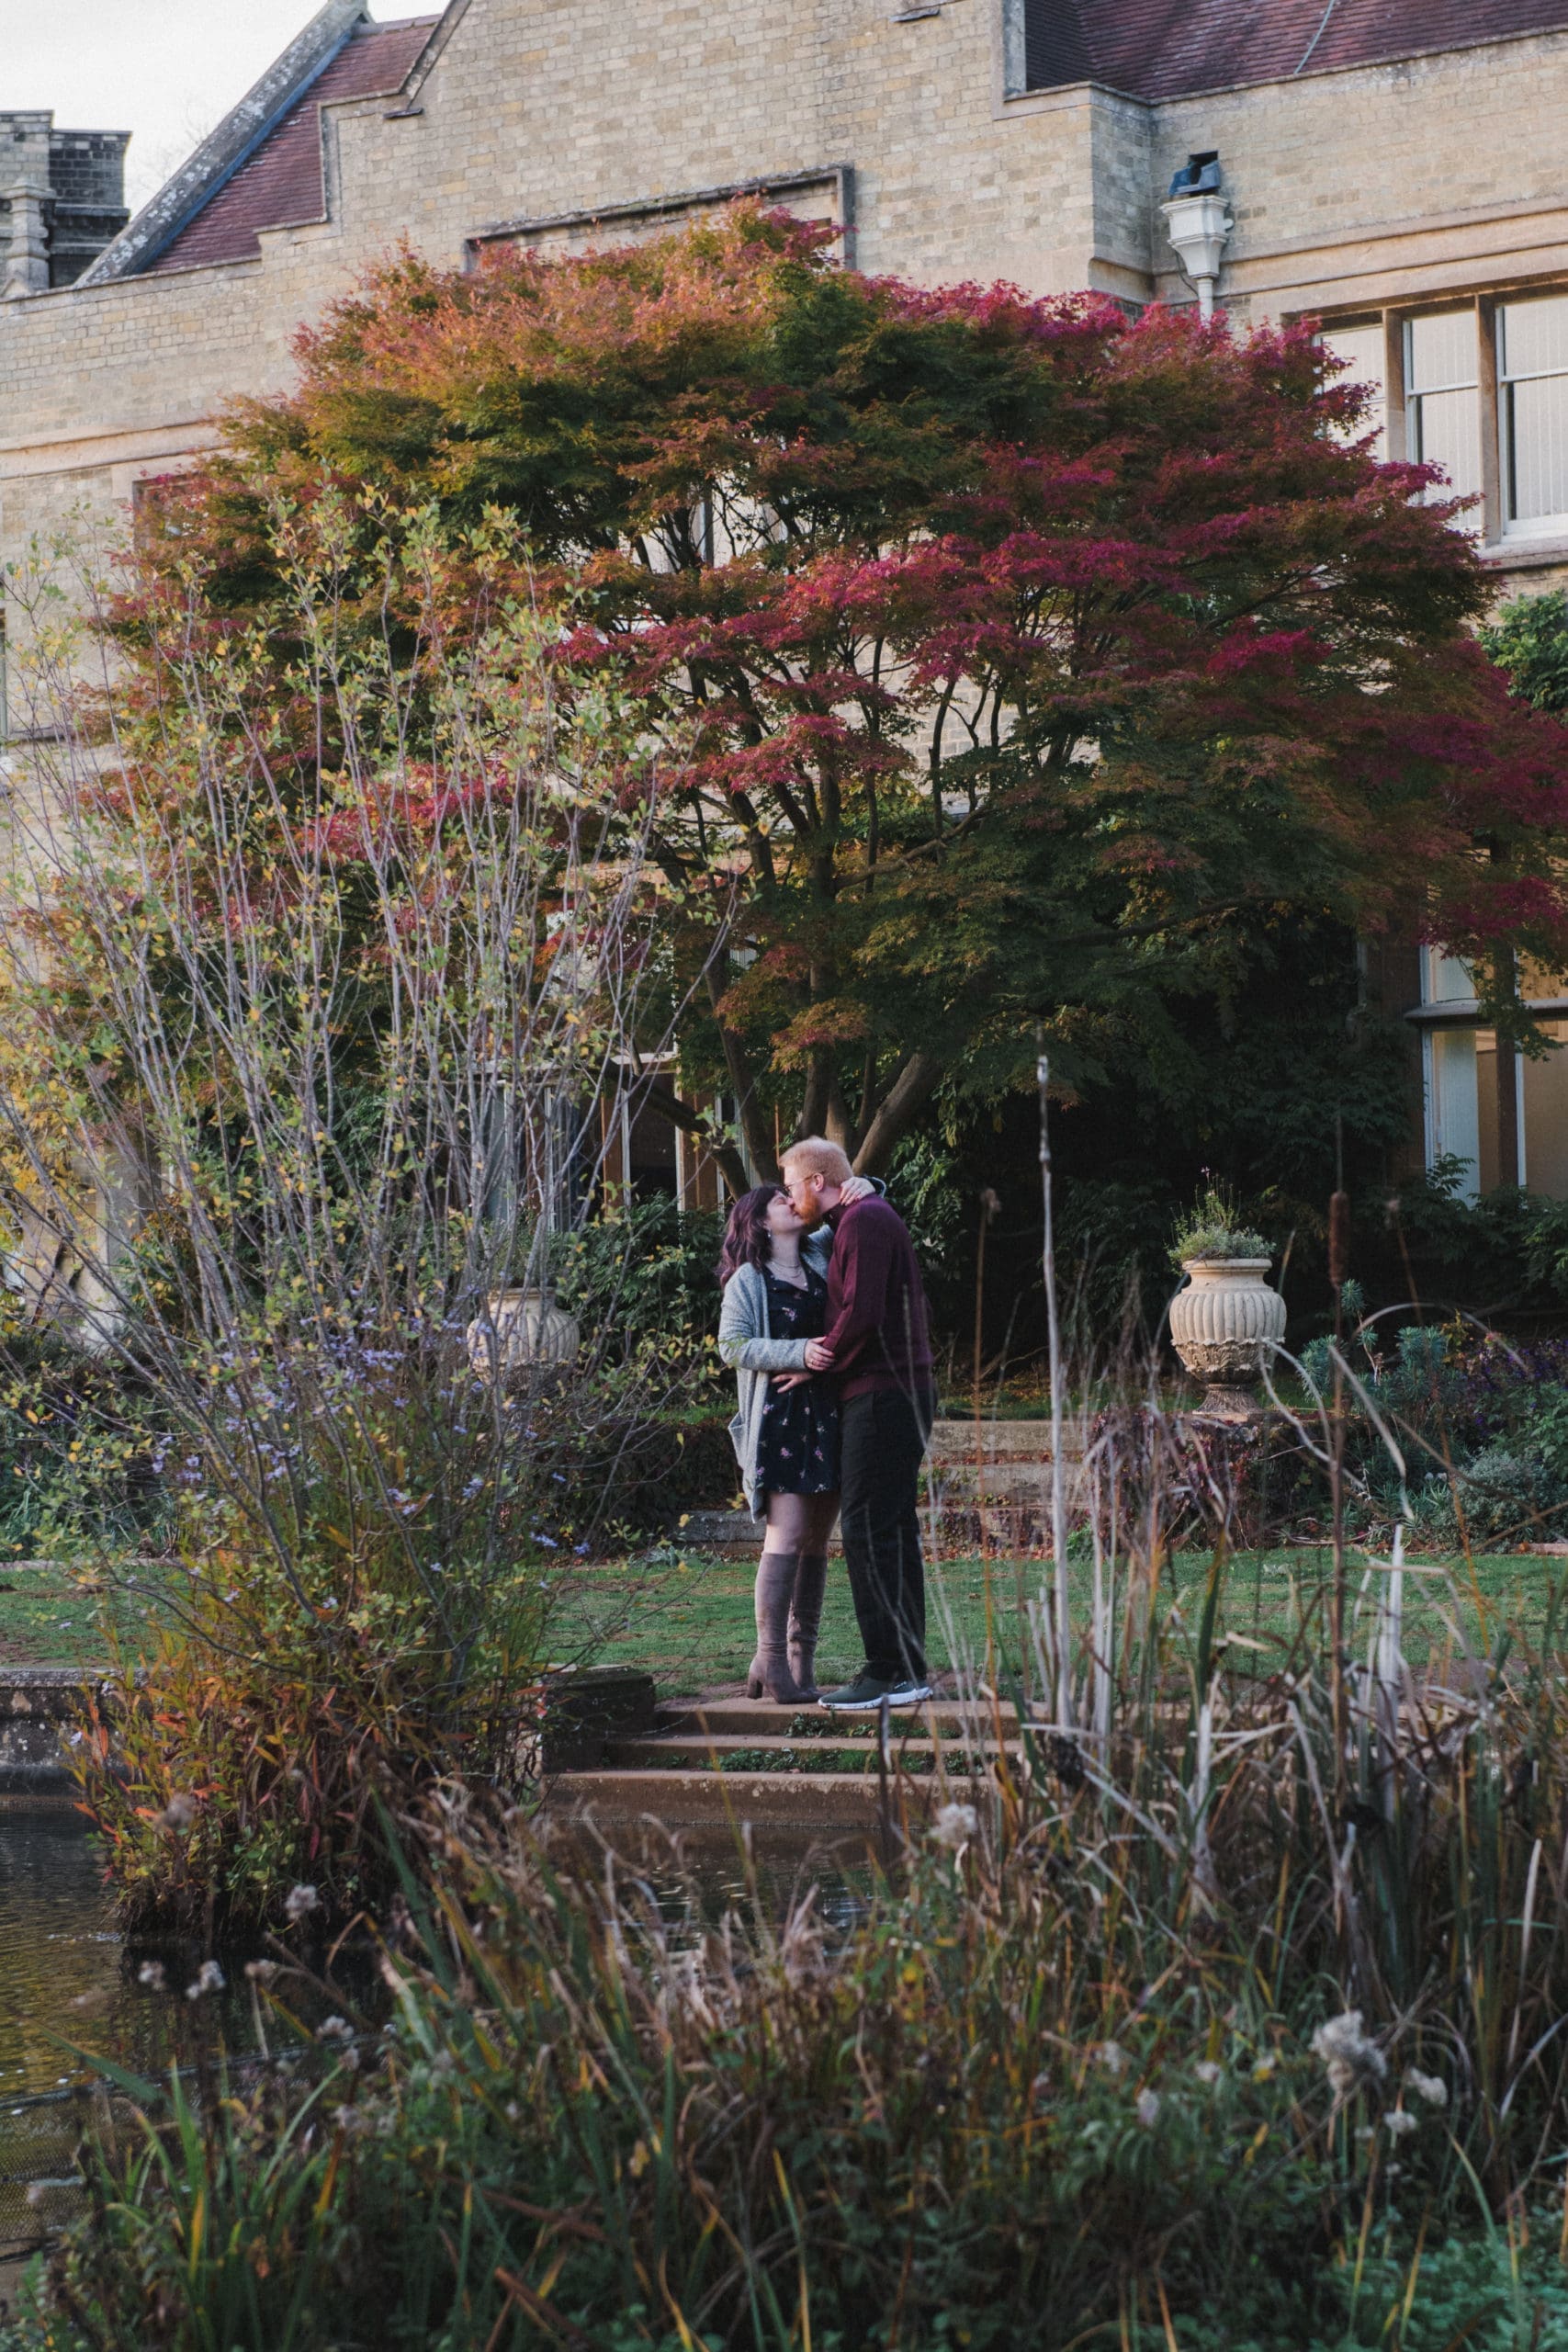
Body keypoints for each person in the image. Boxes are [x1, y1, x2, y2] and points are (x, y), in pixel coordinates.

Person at [780, 1136, 935, 1711]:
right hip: (896, 1390)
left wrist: (816, 1363)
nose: (788, 1197)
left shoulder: (864, 1221)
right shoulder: (859, 1217)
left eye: (792, 1186)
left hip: (883, 1393)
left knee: (870, 1530)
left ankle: (887, 1671)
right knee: (892, 1529)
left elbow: (861, 1314)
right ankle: (907, 1668)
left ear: (818, 1182)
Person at [716, 1179, 872, 1702]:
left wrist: (866, 1183)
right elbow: (732, 1346)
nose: (792, 1201)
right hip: (779, 1419)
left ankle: (800, 1662)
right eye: (780, 1201)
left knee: (817, 1540)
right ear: (759, 1221)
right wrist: (799, 1352)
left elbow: (863, 1208)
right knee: (786, 1535)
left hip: (827, 1415)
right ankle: (772, 1658)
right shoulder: (748, 1279)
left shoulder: (820, 1252)